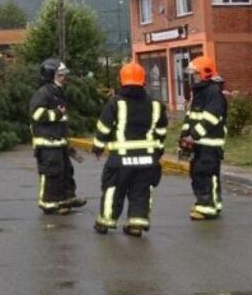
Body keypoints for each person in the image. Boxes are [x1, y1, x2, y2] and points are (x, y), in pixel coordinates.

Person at [92, 61, 168, 237]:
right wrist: (158, 151)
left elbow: (104, 127)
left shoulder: (115, 104)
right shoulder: (156, 105)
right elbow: (161, 131)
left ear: (121, 81)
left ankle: (105, 222)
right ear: (144, 81)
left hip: (120, 160)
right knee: (141, 191)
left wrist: (98, 147)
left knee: (113, 189)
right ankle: (136, 224)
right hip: (147, 160)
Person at [28, 58, 86, 214]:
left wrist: (68, 145)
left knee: (66, 172)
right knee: (51, 174)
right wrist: (56, 114)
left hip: (59, 143)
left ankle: (65, 200)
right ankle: (48, 203)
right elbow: (37, 114)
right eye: (60, 75)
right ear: (50, 75)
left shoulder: (57, 92)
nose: (64, 78)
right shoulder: (43, 93)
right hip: (47, 144)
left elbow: (62, 122)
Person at [179, 55, 227, 220]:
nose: (194, 77)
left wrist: (193, 135)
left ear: (205, 73)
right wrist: (184, 137)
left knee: (206, 174)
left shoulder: (213, 93)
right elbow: (190, 118)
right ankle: (207, 203)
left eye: (196, 73)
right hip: (198, 143)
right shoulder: (199, 93)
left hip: (210, 143)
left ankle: (208, 206)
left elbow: (211, 118)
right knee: (198, 173)